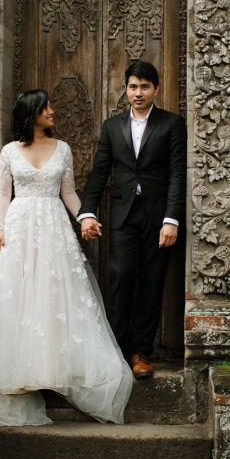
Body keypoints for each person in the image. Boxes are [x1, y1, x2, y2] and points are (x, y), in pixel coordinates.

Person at [0, 89, 133, 427]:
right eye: (46, 107)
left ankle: (53, 366)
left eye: (51, 106)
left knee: (53, 294)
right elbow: (3, 194)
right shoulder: (9, 152)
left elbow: (69, 192)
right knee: (22, 295)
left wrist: (84, 218)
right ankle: (22, 369)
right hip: (19, 227)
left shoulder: (62, 149)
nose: (52, 111)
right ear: (31, 113)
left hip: (53, 226)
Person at [79, 60, 187, 380]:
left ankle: (141, 353)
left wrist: (172, 219)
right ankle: (115, 351)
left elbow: (178, 173)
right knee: (121, 277)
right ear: (126, 89)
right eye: (132, 86)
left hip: (158, 216)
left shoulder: (171, 124)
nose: (137, 92)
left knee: (152, 283)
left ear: (155, 89)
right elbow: (100, 171)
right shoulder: (112, 127)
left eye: (144, 86)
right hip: (123, 214)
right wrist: (88, 212)